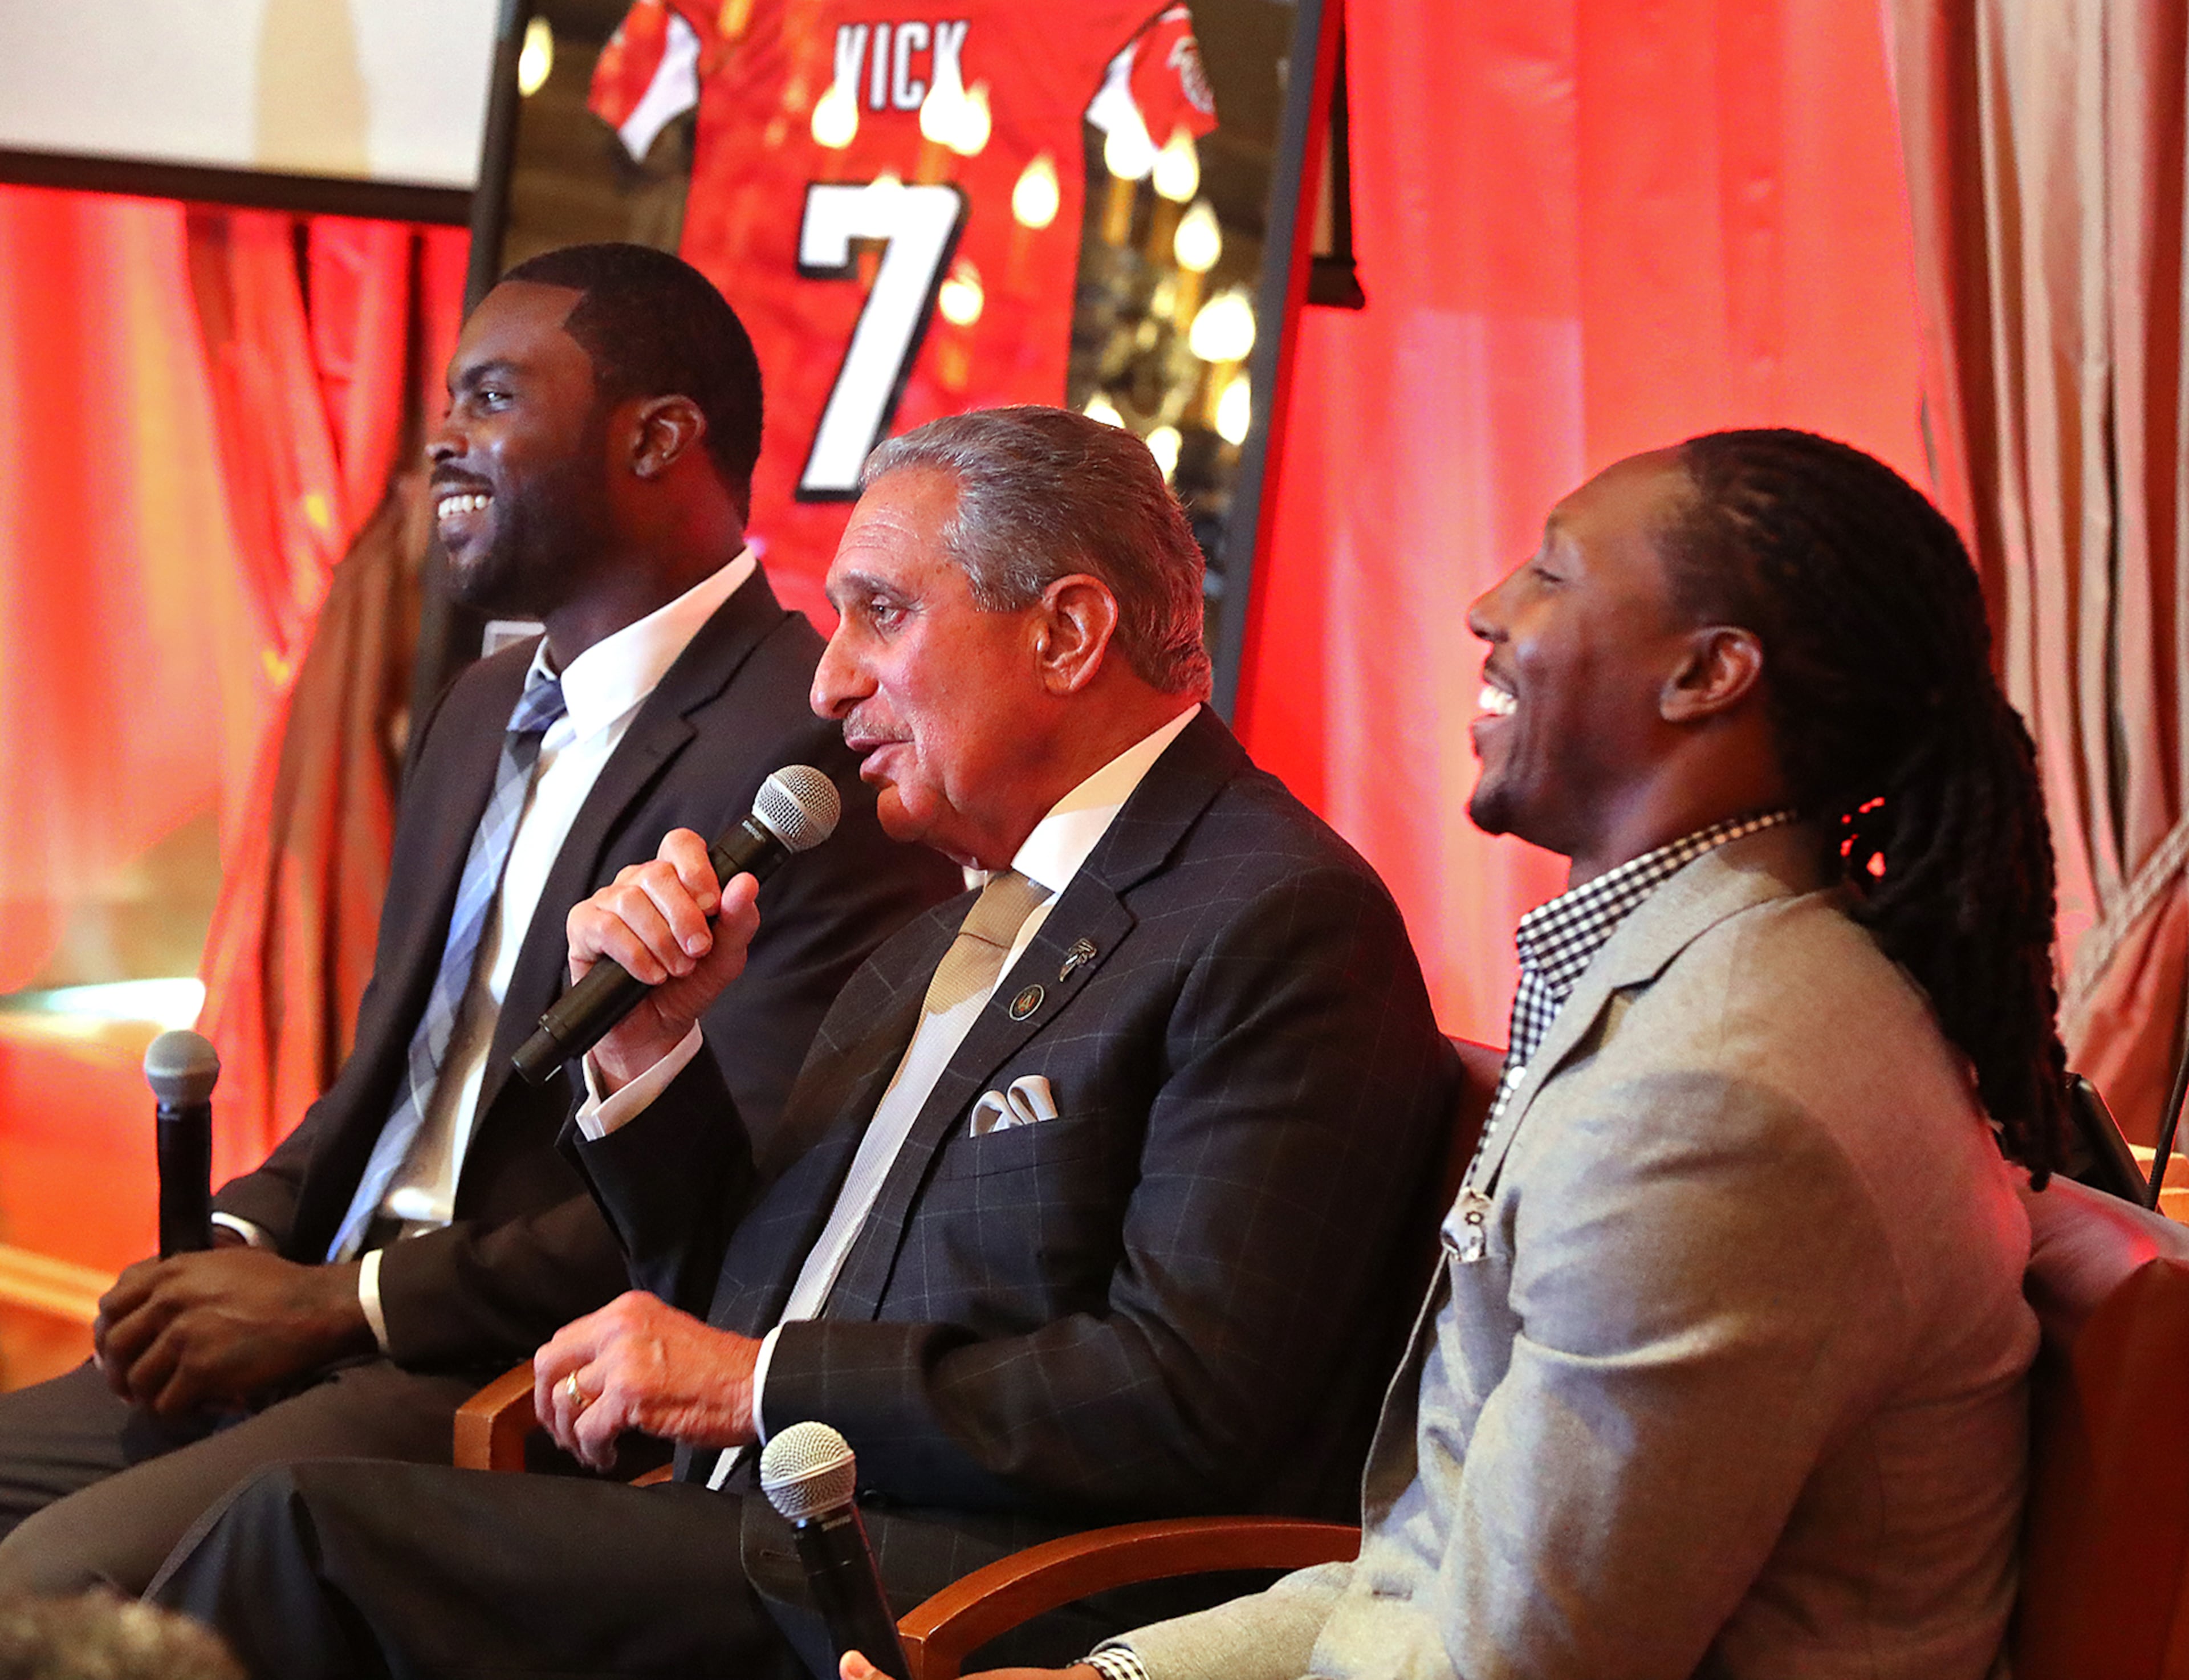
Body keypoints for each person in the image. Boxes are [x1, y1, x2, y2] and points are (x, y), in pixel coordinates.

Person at [143, 404, 1455, 1679]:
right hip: (746, 1535)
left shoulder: (1275, 916)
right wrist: (649, 1051)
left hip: (936, 1599)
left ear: (1066, 632)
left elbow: (1181, 1396)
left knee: (298, 1537)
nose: (830, 682)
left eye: (881, 612)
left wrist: (760, 1385)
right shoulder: (937, 926)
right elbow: (741, 1276)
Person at [881, 429, 2069, 1680]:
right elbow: (1429, 1554)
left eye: (1552, 575)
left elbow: (1508, 1665)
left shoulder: (1714, 1097)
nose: (1484, 607)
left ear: (1708, 673)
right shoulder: (1692, 991)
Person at [0, 243, 958, 1596]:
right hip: (328, 1303)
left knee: (41, 1590)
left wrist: (346, 1306)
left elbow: (722, 1194)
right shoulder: (477, 705)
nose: (442, 440)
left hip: (506, 1362)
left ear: (656, 439)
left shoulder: (805, 750)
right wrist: (235, 1248)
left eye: (495, 399)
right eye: (451, 398)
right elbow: (388, 1081)